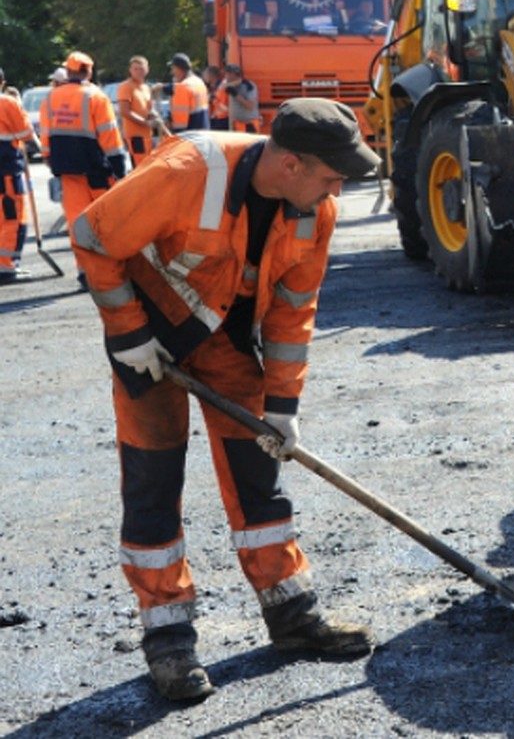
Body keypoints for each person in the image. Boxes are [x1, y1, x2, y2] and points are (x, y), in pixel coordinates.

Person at [71, 98, 381, 702]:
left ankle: (290, 613)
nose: (338, 187)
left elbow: (294, 313)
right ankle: (169, 640)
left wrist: (283, 409)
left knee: (257, 473)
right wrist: (129, 334)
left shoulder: (314, 210)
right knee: (154, 480)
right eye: (330, 174)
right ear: (291, 164)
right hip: (150, 335)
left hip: (227, 341)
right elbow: (92, 237)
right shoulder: (188, 171)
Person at [40, 51, 128, 290]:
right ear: (89, 71)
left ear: (68, 72)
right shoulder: (96, 97)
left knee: (77, 223)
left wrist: (50, 160)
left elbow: (45, 136)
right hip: (96, 171)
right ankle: (110, 272)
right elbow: (110, 137)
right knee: (105, 223)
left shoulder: (51, 98)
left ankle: (85, 273)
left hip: (68, 171)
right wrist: (120, 169)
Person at [0, 67, 33, 284]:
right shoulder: (7, 102)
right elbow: (26, 133)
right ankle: (6, 265)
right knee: (12, 216)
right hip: (6, 168)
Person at [116, 55, 162, 167]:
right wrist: (145, 123)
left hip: (147, 135)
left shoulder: (145, 88)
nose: (138, 72)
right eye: (135, 69)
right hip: (135, 136)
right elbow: (125, 111)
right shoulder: (126, 86)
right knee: (140, 168)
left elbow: (148, 109)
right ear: (130, 70)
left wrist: (154, 116)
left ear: (147, 69)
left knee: (148, 166)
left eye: (141, 69)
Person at [162, 53, 210, 132]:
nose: (172, 72)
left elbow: (180, 122)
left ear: (179, 69)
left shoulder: (182, 87)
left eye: (173, 68)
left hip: (190, 135)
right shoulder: (199, 82)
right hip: (203, 130)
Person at [224, 64, 262, 133]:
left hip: (249, 125)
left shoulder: (249, 86)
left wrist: (236, 94)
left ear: (234, 74)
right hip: (236, 125)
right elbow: (226, 87)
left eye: (228, 74)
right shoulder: (229, 85)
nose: (226, 76)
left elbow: (250, 106)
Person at [203, 64, 228, 130]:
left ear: (211, 75)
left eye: (205, 75)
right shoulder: (214, 87)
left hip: (224, 119)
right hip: (217, 119)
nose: (204, 78)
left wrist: (212, 99)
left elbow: (224, 106)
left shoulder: (223, 86)